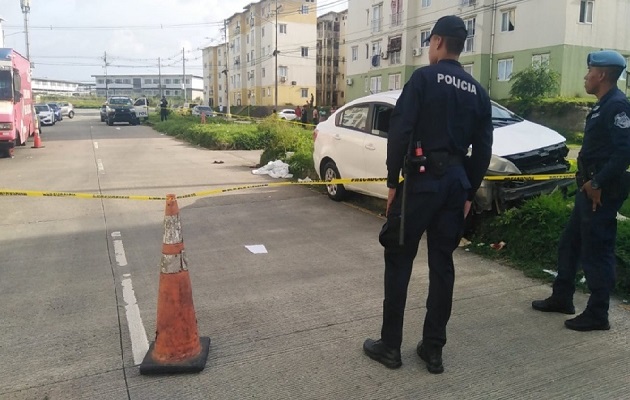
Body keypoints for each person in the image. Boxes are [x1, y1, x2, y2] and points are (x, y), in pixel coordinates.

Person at [363, 15, 493, 374]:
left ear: (437, 42)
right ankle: (433, 350)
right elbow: (482, 148)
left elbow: (400, 131)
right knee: (442, 266)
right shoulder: (478, 91)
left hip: (420, 182)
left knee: (399, 259)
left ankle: (390, 347)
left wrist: (392, 183)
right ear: (461, 46)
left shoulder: (423, 79)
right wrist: (468, 189)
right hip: (456, 185)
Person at [532, 50, 630, 331]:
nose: (586, 77)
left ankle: (598, 313)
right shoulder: (604, 104)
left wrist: (597, 183)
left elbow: (624, 153)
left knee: (597, 250)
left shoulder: (617, 106)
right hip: (589, 188)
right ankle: (562, 296)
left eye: (589, 72)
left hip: (602, 190)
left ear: (601, 75)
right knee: (570, 243)